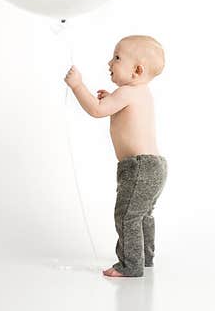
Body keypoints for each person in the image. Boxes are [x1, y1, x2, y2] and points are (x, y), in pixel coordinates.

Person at [64, 35, 167, 278]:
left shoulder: (126, 92)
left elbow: (97, 110)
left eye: (117, 58)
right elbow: (118, 110)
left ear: (137, 70)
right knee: (142, 215)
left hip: (138, 167)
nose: (110, 62)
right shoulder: (140, 92)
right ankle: (144, 256)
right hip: (156, 166)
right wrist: (110, 98)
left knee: (127, 215)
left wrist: (78, 85)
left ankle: (130, 264)